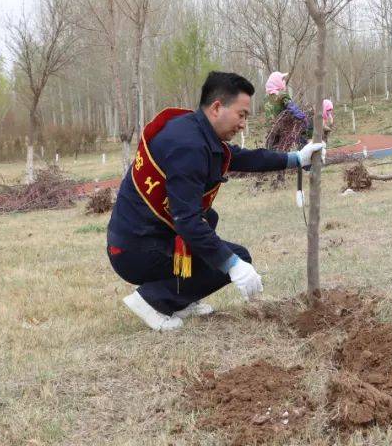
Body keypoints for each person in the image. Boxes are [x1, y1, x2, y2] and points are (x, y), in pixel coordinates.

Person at [107, 71, 326, 331]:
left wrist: (295, 158)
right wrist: (233, 264)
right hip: (135, 250)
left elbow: (242, 158)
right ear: (217, 107)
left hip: (142, 238)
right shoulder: (187, 148)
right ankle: (152, 300)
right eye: (241, 114)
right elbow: (186, 222)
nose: (244, 123)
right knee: (236, 254)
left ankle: (180, 299)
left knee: (209, 219)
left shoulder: (194, 130)